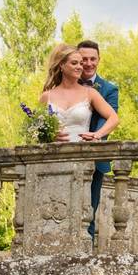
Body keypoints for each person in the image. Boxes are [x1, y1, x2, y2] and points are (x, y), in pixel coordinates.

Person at [76, 40, 119, 240]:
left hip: (94, 156)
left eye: (92, 59)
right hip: (63, 154)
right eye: (84, 59)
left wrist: (97, 136)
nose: (88, 63)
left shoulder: (109, 89)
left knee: (88, 210)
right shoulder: (63, 84)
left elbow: (108, 119)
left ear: (99, 60)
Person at [39, 43, 118, 146]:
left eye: (81, 63)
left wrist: (97, 135)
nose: (80, 67)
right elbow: (37, 129)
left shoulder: (91, 93)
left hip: (82, 154)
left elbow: (114, 118)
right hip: (54, 157)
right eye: (74, 63)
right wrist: (49, 135)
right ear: (61, 65)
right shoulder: (46, 96)